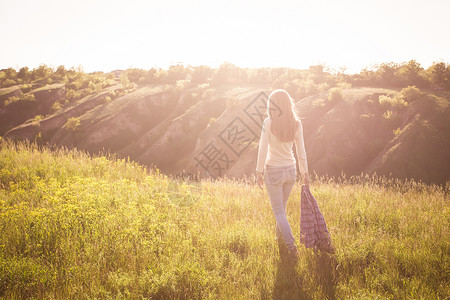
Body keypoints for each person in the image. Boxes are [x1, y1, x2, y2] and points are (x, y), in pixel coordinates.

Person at [256, 89, 309, 260]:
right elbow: (301, 151)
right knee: (282, 210)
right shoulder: (296, 123)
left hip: (274, 171)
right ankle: (279, 239)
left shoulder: (268, 123)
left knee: (279, 211)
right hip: (291, 171)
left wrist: (258, 171)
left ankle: (292, 247)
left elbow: (262, 149)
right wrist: (305, 173)